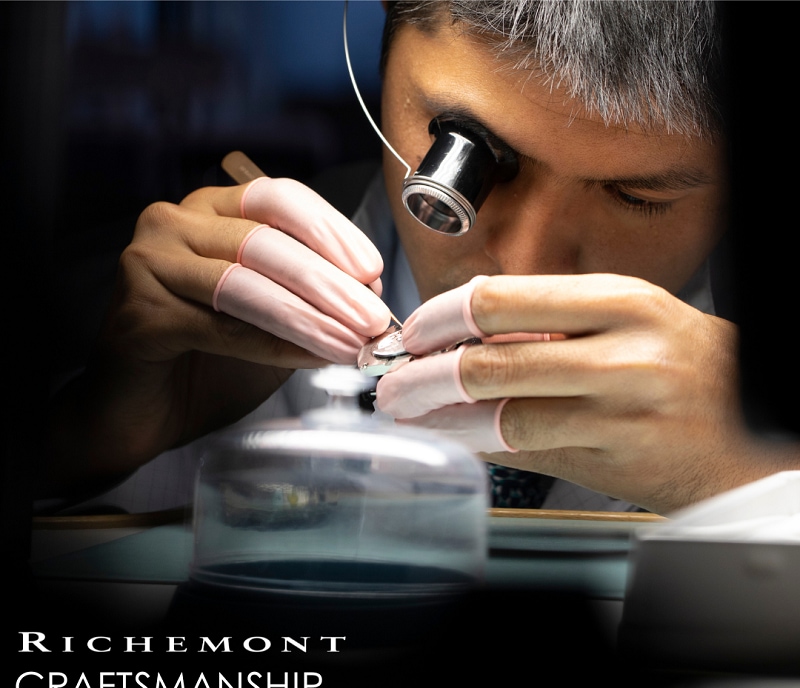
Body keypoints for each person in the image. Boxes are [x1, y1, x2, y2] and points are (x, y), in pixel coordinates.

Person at [38, 0, 799, 516]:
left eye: (637, 197)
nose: (521, 272)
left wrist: (765, 477)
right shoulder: (100, 329)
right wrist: (84, 446)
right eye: (470, 155)